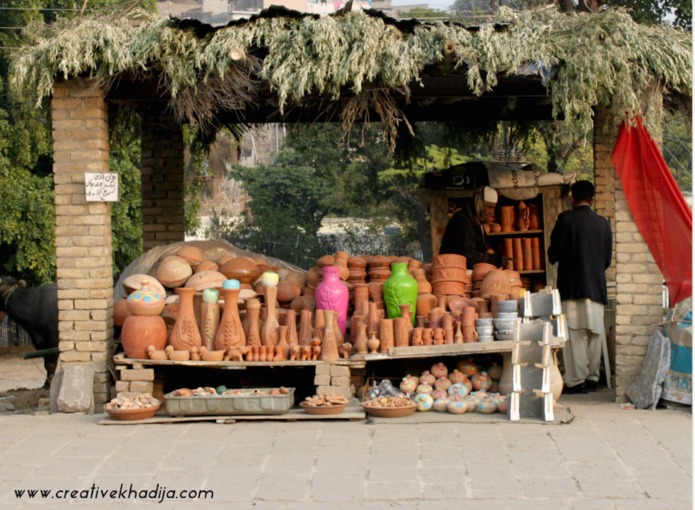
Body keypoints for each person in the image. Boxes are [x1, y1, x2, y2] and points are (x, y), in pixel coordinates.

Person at [548, 180, 612, 394]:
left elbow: (553, 254)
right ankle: (593, 377)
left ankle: (576, 380)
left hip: (572, 286)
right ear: (593, 200)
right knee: (594, 332)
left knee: (574, 333)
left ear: (572, 198)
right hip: (596, 286)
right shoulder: (603, 223)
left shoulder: (565, 219)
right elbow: (606, 260)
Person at [439, 186, 501, 267]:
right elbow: (468, 257)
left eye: (493, 208)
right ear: (479, 203)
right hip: (452, 271)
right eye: (489, 207)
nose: (492, 213)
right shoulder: (462, 221)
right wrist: (494, 259)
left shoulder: (475, 221)